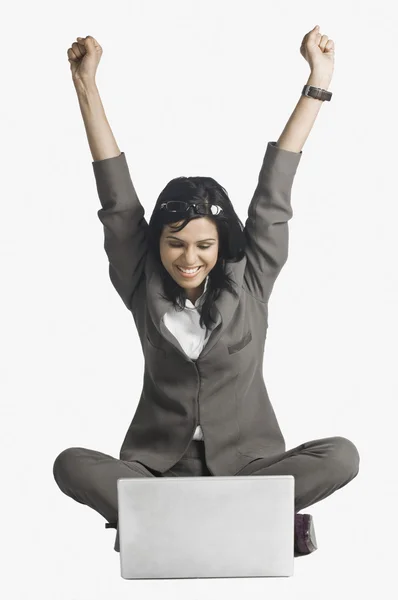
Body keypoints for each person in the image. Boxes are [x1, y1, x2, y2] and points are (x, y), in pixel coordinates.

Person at [53, 26, 360, 558]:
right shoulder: (140, 277)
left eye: (203, 245)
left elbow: (274, 192)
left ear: (223, 245)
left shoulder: (252, 278)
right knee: (69, 463)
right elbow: (118, 201)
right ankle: (249, 523)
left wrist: (318, 80)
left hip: (249, 466)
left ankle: (164, 526)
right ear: (159, 243)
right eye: (175, 244)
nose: (188, 258)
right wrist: (86, 84)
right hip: (157, 469)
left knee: (342, 455)